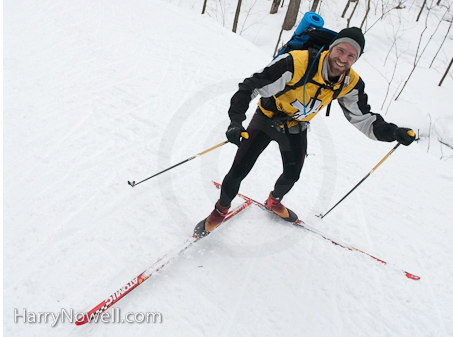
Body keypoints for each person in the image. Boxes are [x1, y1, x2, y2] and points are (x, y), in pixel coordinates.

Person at [193, 27, 415, 239]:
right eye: (340, 50)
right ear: (331, 48)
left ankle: (274, 201)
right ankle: (220, 211)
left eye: (351, 55)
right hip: (267, 117)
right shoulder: (296, 62)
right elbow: (249, 87)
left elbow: (364, 118)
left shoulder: (351, 83)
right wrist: (235, 122)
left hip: (296, 126)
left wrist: (394, 132)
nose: (343, 59)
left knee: (292, 174)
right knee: (239, 169)